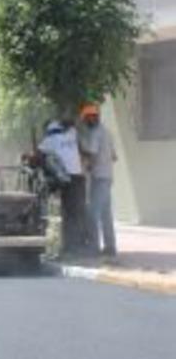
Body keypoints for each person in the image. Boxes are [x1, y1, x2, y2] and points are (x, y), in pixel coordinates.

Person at [38, 118, 86, 256]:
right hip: (79, 178)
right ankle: (79, 245)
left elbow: (39, 155)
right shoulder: (71, 133)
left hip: (67, 179)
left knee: (68, 214)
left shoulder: (50, 140)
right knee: (78, 213)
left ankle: (70, 249)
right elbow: (72, 124)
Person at [79, 104, 118, 256]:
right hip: (107, 177)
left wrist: (82, 153)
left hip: (99, 178)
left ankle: (93, 247)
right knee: (106, 214)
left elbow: (92, 154)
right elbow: (114, 156)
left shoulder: (95, 133)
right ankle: (110, 247)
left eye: (86, 118)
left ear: (91, 117)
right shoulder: (107, 132)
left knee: (92, 213)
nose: (85, 122)